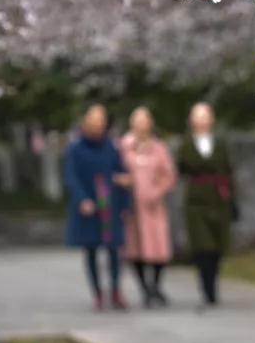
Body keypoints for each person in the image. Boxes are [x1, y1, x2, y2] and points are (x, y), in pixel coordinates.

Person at [64, 104, 130, 311]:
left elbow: (121, 171)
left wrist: (125, 199)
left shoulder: (111, 146)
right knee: (91, 251)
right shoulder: (75, 148)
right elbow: (71, 177)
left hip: (110, 203)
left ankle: (116, 291)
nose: (97, 125)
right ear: (86, 122)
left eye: (101, 121)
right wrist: (82, 199)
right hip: (89, 205)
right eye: (94, 121)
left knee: (114, 251)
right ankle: (98, 294)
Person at [176, 102, 238, 309]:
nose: (201, 120)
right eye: (197, 116)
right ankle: (207, 288)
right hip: (196, 201)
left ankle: (214, 283)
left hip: (218, 199)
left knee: (217, 247)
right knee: (203, 246)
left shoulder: (220, 144)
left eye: (205, 116)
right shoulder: (186, 145)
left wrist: (232, 200)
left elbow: (228, 171)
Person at [116, 106, 177, 307]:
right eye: (137, 121)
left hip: (153, 206)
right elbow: (114, 170)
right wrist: (122, 181)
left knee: (158, 248)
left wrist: (156, 191)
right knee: (135, 249)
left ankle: (156, 286)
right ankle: (144, 288)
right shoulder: (123, 146)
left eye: (145, 121)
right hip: (132, 206)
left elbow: (169, 175)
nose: (141, 126)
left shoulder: (158, 147)